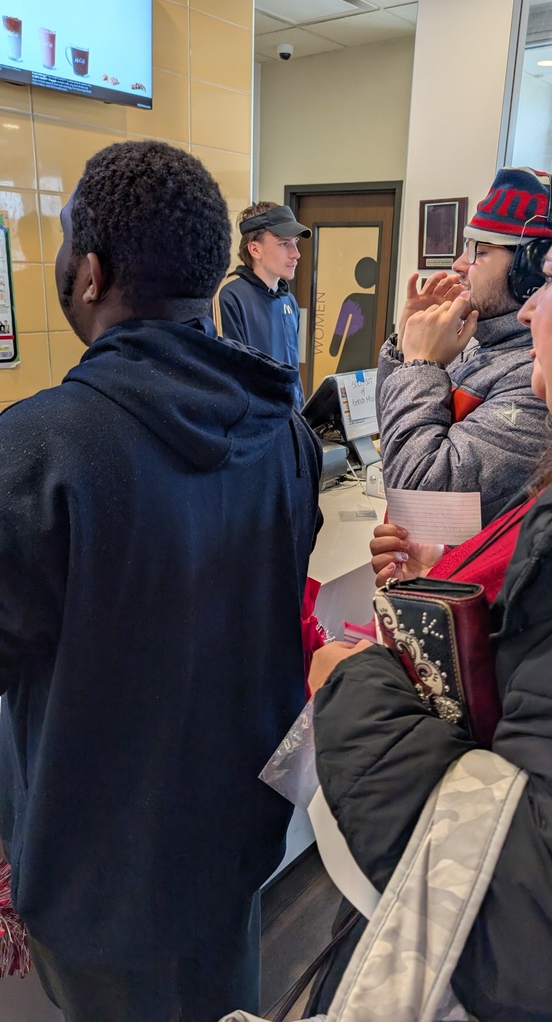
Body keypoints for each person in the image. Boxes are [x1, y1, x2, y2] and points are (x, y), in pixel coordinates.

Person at [0, 141, 322, 1022]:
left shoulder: (38, 451)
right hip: (235, 848)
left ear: (90, 272)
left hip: (101, 891)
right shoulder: (284, 431)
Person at [308, 207, 552, 1020]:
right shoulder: (494, 357)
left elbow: (422, 490)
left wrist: (356, 688)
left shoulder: (524, 381)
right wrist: (406, 351)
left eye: (551, 276)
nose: (461, 266)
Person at [377, 167, 552, 525]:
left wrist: (420, 366)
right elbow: (395, 441)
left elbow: (422, 507)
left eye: (479, 251)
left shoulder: (541, 379)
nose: (459, 264)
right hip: (427, 559)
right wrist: (406, 351)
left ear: (529, 274)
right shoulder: (479, 345)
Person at [216, 201, 311, 408]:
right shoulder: (229, 297)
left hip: (290, 419)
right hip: (255, 420)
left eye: (295, 242)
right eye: (284, 243)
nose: (296, 253)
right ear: (254, 249)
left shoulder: (288, 301)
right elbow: (230, 379)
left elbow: (293, 373)